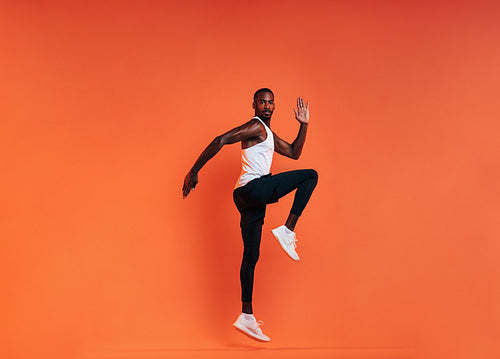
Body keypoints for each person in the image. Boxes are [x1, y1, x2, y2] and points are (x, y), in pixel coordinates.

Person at [182, 88, 318, 342]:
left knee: (251, 255)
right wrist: (194, 170)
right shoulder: (256, 126)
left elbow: (293, 152)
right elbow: (220, 139)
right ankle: (287, 229)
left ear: (274, 106)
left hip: (246, 198)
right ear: (254, 105)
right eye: (261, 102)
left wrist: (304, 125)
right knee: (310, 175)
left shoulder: (267, 134)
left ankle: (246, 315)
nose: (266, 105)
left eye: (270, 102)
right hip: (252, 189)